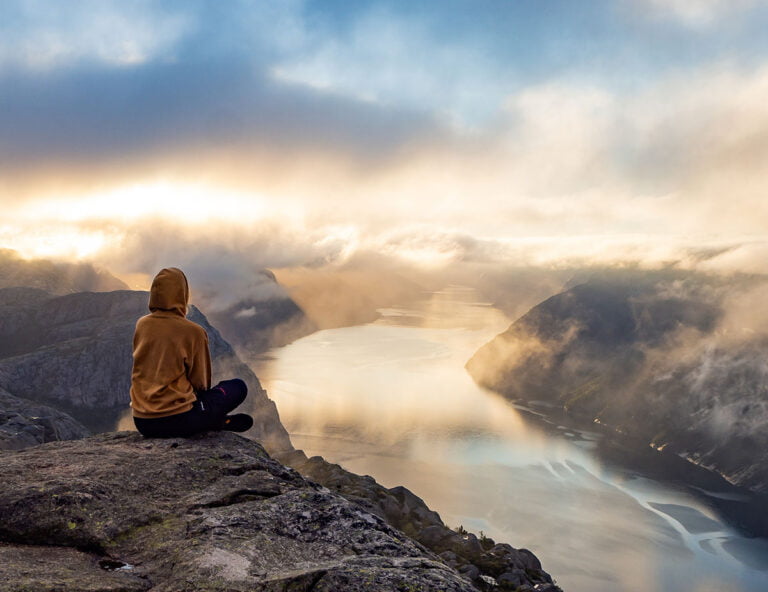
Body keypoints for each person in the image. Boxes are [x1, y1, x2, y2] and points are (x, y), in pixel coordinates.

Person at [130, 267, 253, 437]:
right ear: (183, 294)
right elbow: (200, 383)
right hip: (180, 420)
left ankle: (210, 420)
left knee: (204, 407)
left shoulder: (141, 324)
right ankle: (213, 421)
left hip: (142, 422)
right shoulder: (193, 332)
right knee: (238, 386)